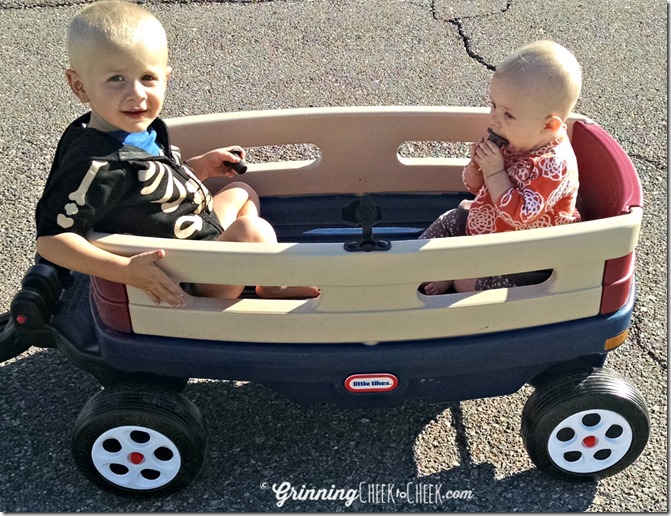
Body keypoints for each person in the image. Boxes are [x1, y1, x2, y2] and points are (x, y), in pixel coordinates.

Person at [35, 0, 319, 306]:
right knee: (252, 229)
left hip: (199, 231)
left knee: (241, 190)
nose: (136, 93)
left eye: (147, 77)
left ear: (166, 78)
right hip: (189, 276)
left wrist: (201, 167)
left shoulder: (139, 128)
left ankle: (253, 263)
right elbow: (51, 241)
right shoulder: (99, 165)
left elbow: (155, 184)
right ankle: (271, 284)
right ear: (80, 86)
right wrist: (127, 271)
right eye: (116, 79)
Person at [420, 40, 583, 295]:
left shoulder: (554, 165)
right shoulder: (518, 138)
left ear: (549, 126)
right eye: (494, 105)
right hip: (491, 230)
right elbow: (476, 189)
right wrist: (477, 169)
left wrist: (494, 172)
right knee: (450, 220)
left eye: (508, 115)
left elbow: (518, 215)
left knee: (489, 285)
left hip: (523, 254)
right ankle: (412, 267)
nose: (494, 117)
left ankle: (455, 280)